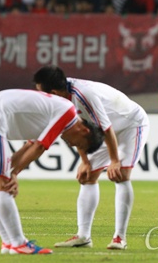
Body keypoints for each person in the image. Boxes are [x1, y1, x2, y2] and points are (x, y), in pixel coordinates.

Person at [0, 89, 104, 255]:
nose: (73, 145)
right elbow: (39, 146)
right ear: (84, 131)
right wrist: (14, 174)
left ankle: (8, 243)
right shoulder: (69, 112)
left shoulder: (55, 114)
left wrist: (10, 171)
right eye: (79, 144)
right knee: (0, 184)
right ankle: (18, 243)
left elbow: (29, 146)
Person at [32, 66, 149, 250]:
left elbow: (106, 128)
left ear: (53, 92)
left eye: (41, 93)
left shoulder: (83, 95)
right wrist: (85, 162)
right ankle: (83, 236)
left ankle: (120, 238)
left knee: (121, 175)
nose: (40, 97)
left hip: (130, 124)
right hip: (104, 132)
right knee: (87, 177)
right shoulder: (61, 99)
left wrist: (115, 160)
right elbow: (76, 133)